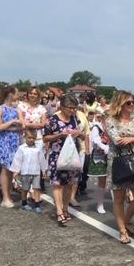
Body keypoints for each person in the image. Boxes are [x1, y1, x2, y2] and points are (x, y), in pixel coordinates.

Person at [105, 91, 134, 244]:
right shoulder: (111, 120)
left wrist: (131, 139)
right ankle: (122, 230)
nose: (132, 105)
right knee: (119, 198)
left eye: (133, 102)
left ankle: (126, 220)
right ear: (120, 104)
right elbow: (117, 140)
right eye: (128, 102)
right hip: (118, 161)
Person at [43, 94, 84, 226]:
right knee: (57, 183)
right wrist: (60, 135)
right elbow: (45, 138)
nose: (72, 110)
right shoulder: (52, 119)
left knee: (69, 184)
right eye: (70, 108)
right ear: (62, 106)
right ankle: (59, 211)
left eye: (74, 108)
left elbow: (83, 136)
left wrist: (79, 133)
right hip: (57, 154)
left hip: (71, 155)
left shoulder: (75, 119)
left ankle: (65, 208)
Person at [0, 86, 24, 208]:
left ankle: (7, 195)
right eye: (16, 92)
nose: (18, 95)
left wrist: (9, 126)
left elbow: (22, 125)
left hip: (14, 141)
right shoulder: (0, 108)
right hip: (4, 141)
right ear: (10, 94)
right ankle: (5, 198)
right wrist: (12, 122)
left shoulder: (17, 109)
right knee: (5, 169)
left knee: (11, 169)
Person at [10, 128, 47, 212]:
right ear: (25, 137)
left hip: (36, 172)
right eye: (29, 138)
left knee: (37, 188)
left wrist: (43, 170)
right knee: (25, 188)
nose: (31, 140)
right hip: (25, 172)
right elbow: (18, 160)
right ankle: (24, 203)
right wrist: (16, 171)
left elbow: (42, 160)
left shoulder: (38, 148)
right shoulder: (21, 148)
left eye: (33, 138)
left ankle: (37, 204)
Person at [88, 109, 109, 214]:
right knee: (102, 179)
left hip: (113, 154)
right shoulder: (97, 127)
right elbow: (95, 141)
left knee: (116, 179)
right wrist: (105, 147)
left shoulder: (114, 127)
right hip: (101, 155)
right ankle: (100, 204)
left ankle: (117, 202)